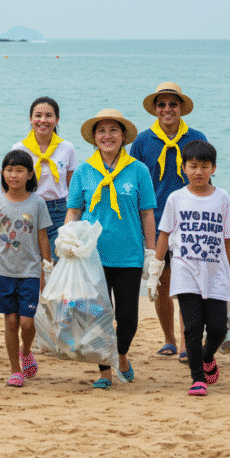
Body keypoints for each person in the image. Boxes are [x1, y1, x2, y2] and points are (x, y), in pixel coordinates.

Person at [65, 109, 157, 388]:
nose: (107, 136)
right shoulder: (83, 171)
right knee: (97, 317)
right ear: (94, 137)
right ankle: (104, 371)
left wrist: (151, 254)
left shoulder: (138, 170)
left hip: (129, 255)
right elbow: (74, 211)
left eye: (113, 130)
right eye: (101, 131)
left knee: (128, 318)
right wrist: (67, 239)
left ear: (123, 136)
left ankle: (122, 355)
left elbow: (147, 214)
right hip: (92, 255)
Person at [130, 82, 207, 361]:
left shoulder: (196, 138)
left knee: (188, 285)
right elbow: (134, 182)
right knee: (161, 282)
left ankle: (188, 343)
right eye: (161, 104)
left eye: (173, 104)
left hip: (190, 222)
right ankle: (169, 339)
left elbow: (206, 176)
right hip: (155, 221)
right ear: (155, 109)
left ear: (181, 108)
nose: (167, 109)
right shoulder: (142, 141)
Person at [150, 141, 230, 396]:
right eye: (193, 166)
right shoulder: (176, 198)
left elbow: (227, 237)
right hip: (185, 270)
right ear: (184, 168)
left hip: (215, 272)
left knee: (218, 328)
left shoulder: (223, 198)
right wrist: (155, 268)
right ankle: (197, 378)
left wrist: (228, 270)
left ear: (214, 168)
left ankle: (208, 356)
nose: (199, 172)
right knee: (192, 327)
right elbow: (165, 234)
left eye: (204, 166)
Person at [0, 150, 52, 388]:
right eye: (9, 170)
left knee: (27, 322)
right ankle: (15, 370)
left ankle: (26, 351)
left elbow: (43, 237)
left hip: (30, 271)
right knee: (10, 321)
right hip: (2, 271)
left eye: (19, 170)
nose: (13, 175)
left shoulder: (37, 203)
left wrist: (47, 267)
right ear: (3, 173)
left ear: (30, 174)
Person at [12, 96, 77, 260]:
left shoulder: (67, 148)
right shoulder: (19, 149)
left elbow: (72, 188)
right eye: (38, 115)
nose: (43, 120)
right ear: (30, 118)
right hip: (28, 210)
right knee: (31, 262)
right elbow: (13, 186)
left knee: (58, 261)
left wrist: (74, 218)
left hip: (59, 212)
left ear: (57, 119)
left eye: (49, 115)